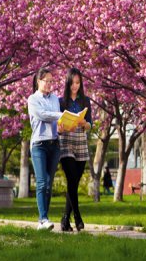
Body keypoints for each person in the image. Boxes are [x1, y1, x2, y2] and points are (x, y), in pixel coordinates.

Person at [27, 67, 63, 231]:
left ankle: (44, 220)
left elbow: (56, 119)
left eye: (51, 81)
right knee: (41, 182)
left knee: (48, 183)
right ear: (38, 81)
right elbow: (42, 115)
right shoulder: (32, 99)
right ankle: (43, 219)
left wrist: (64, 122)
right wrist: (60, 115)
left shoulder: (55, 98)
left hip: (54, 144)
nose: (49, 84)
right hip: (39, 145)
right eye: (46, 81)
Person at [58, 67, 92, 232]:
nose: (75, 86)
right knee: (71, 179)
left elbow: (90, 124)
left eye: (77, 83)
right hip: (65, 141)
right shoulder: (60, 102)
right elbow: (56, 125)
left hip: (81, 140)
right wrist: (62, 126)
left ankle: (65, 219)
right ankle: (77, 216)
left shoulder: (85, 101)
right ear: (67, 83)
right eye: (72, 83)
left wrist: (84, 124)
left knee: (74, 183)